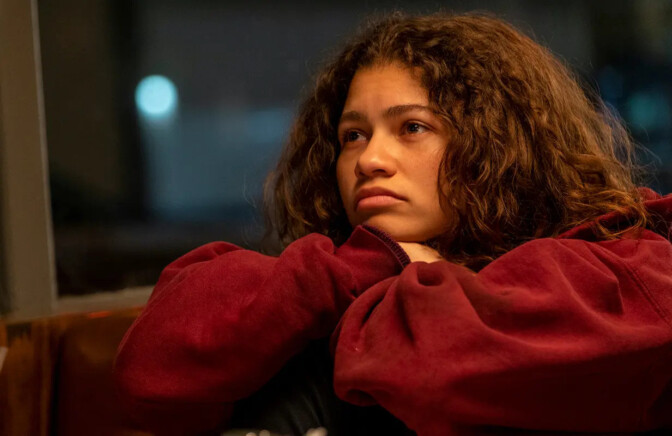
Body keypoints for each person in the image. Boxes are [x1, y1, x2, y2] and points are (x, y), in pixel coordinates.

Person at [114, 12, 672, 436]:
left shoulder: (629, 262)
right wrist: (370, 261)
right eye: (353, 135)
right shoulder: (336, 275)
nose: (369, 160)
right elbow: (148, 376)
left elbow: (432, 372)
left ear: (502, 142)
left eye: (412, 128)